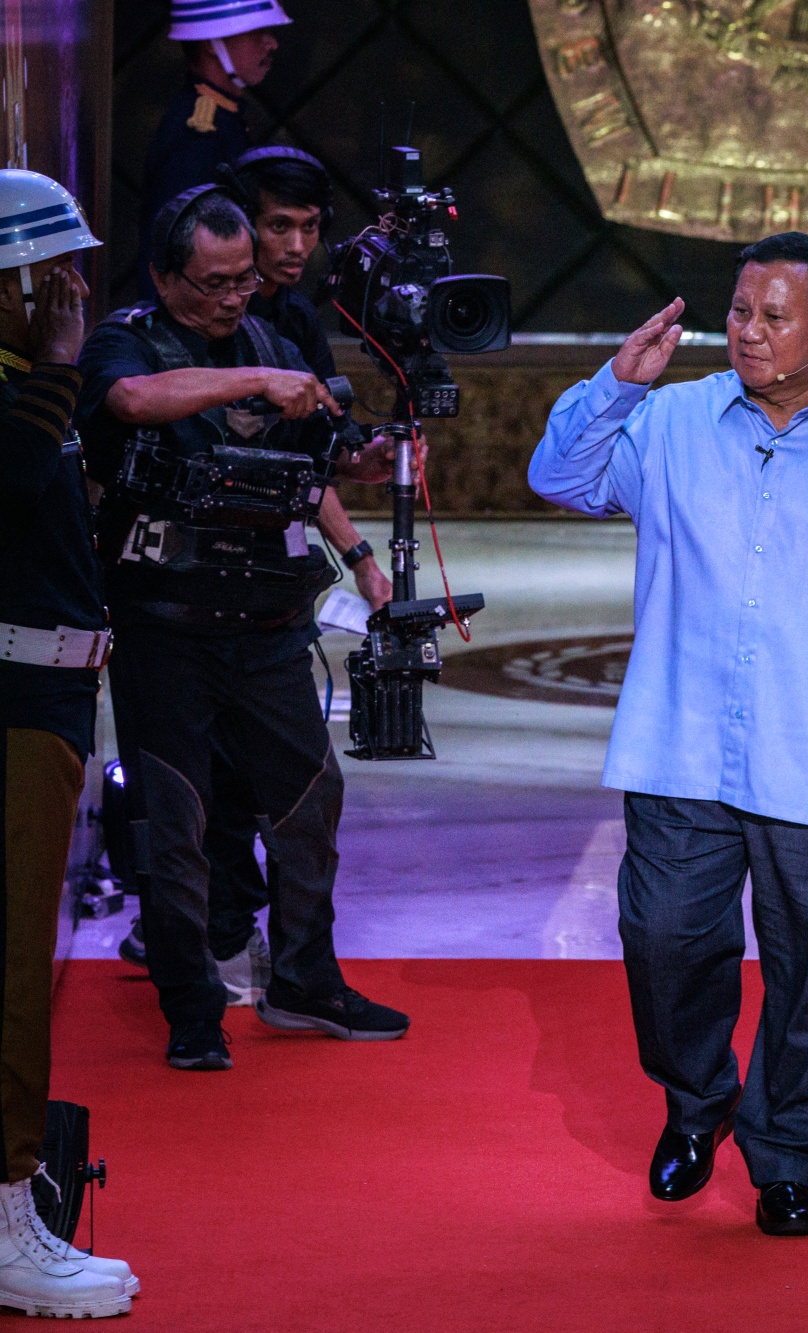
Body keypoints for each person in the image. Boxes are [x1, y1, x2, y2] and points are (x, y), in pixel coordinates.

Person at [529, 231, 808, 1237]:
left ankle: (785, 1154)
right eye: (738, 311)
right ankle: (696, 1104)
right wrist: (617, 384)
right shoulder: (669, 421)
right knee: (662, 938)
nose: (747, 331)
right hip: (680, 743)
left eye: (773, 316)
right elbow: (558, 476)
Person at [76, 186, 409, 1071]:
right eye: (213, 283)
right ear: (163, 276)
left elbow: (316, 466)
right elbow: (132, 401)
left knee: (310, 797)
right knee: (175, 821)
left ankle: (304, 979)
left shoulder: (270, 340)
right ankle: (191, 1008)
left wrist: (364, 494)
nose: (233, 299)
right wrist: (258, 381)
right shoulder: (126, 341)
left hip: (268, 625)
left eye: (243, 281)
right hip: (165, 630)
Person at [0, 170, 139, 1318]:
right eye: (55, 274)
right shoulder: (22, 392)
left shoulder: (27, 390)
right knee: (8, 973)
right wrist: (54, 364)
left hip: (43, 698)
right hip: (12, 704)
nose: (76, 293)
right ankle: (5, 1216)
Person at [137, 0, 290, 296]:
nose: (271, 43)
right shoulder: (198, 131)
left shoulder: (225, 117)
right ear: (211, 43)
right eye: (255, 32)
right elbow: (174, 245)